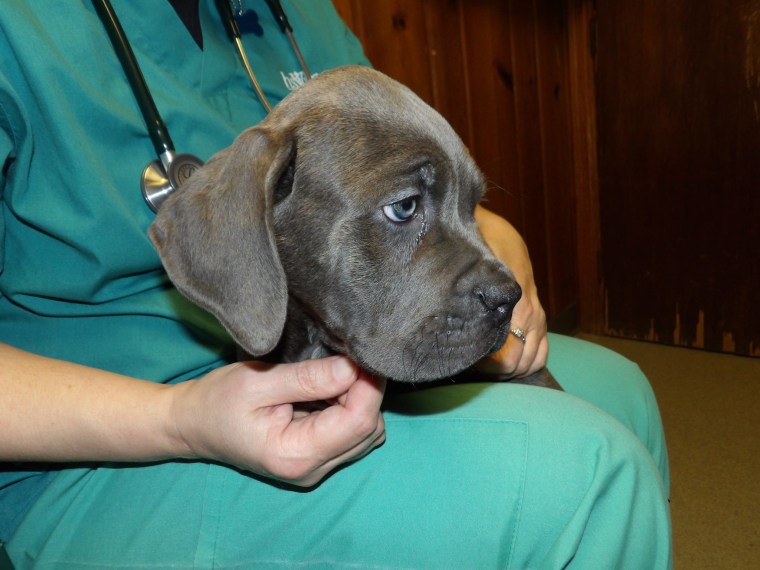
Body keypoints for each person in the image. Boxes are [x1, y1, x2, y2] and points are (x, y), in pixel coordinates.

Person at [0, 1, 671, 568]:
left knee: (623, 393)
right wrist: (178, 422)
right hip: (103, 446)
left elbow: (392, 169)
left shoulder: (292, 10)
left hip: (312, 352)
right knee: (587, 473)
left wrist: (488, 229)